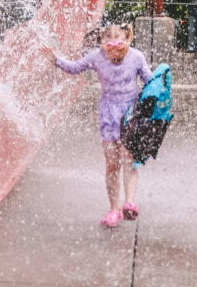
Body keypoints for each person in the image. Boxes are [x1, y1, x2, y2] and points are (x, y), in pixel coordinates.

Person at [41, 23, 152, 229]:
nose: (113, 44)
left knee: (129, 159)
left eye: (117, 39)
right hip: (108, 114)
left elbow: (149, 80)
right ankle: (114, 209)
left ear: (126, 38)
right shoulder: (96, 57)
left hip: (130, 114)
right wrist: (55, 59)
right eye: (108, 40)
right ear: (101, 41)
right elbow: (74, 68)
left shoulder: (136, 56)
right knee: (111, 164)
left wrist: (159, 90)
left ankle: (130, 202)